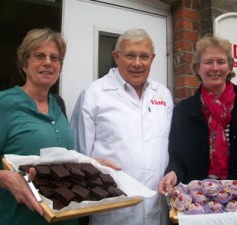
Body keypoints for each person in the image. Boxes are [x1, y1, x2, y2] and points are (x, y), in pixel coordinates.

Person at [0, 28, 77, 225]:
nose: (48, 62)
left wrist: (94, 165)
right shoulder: (2, 103)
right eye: (39, 56)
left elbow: (64, 159)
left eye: (55, 58)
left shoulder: (58, 105)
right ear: (24, 63)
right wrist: (6, 179)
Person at [70, 28, 174, 225]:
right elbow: (77, 156)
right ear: (116, 57)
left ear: (152, 59)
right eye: (130, 55)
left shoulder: (163, 94)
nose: (137, 63)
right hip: (112, 211)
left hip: (156, 211)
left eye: (144, 56)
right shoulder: (94, 94)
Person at [158, 35, 237, 195]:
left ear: (230, 67)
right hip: (196, 200)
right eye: (208, 62)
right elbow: (176, 156)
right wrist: (173, 173)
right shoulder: (182, 111)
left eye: (221, 62)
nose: (215, 68)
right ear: (197, 68)